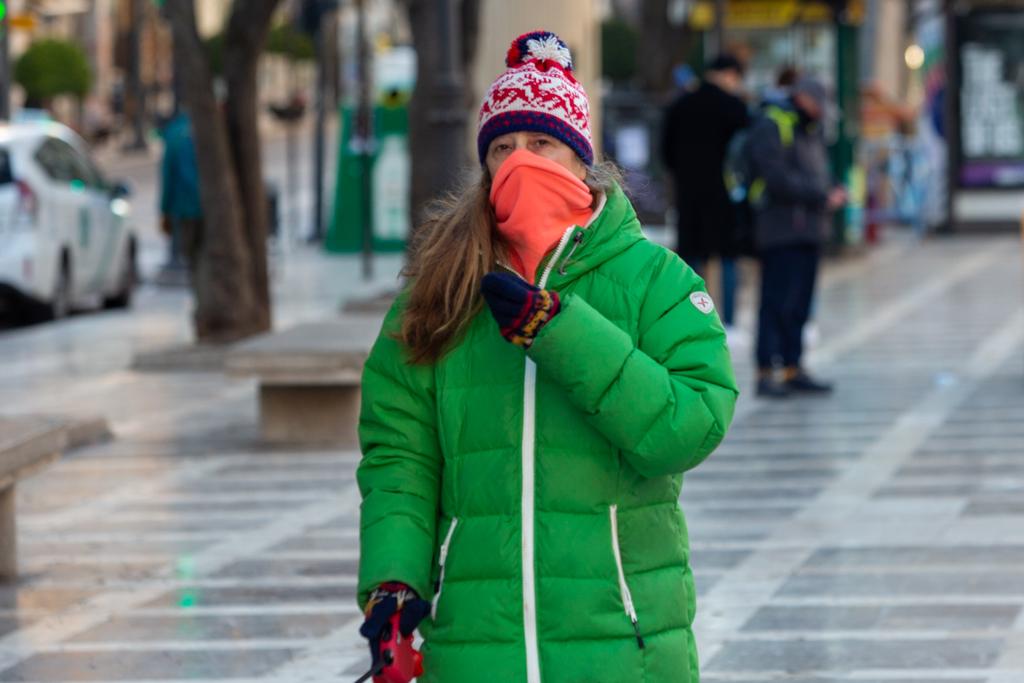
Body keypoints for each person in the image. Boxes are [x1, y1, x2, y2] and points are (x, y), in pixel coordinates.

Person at [356, 31, 738, 683]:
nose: (518, 163)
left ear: (580, 159)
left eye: (540, 145)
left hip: (621, 641)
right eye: (501, 148)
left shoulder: (656, 281)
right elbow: (400, 455)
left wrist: (559, 330)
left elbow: (688, 426)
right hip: (477, 643)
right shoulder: (439, 290)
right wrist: (392, 582)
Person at [747, 77, 847, 397]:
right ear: (802, 98)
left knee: (800, 303)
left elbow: (816, 170)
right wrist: (820, 194)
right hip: (780, 230)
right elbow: (775, 176)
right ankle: (766, 371)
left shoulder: (810, 130)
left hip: (810, 229)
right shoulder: (772, 125)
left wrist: (832, 189)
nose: (819, 112)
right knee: (775, 301)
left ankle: (793, 366)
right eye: (817, 104)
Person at [661, 54, 751, 340]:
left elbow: (666, 153)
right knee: (726, 257)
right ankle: (730, 322)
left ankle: (694, 320)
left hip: (688, 194)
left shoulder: (680, 104)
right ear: (729, 75)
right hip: (721, 194)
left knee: (690, 260)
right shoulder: (733, 106)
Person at [158, 111, 202, 277]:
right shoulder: (208, 129)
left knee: (188, 253)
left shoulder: (174, 133)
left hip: (183, 205)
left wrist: (165, 209)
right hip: (208, 206)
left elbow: (168, 175)